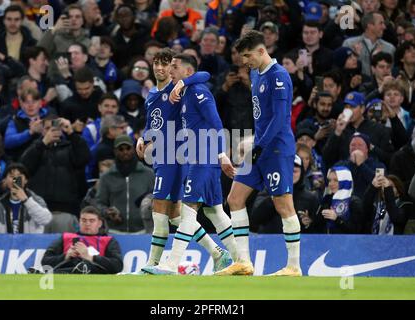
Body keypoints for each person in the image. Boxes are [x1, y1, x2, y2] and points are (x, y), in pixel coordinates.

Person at [135, 48, 234, 273]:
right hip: (161, 156)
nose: (161, 68)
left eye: (166, 64)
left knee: (160, 210)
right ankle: (219, 253)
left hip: (177, 156)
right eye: (157, 63)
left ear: (172, 67)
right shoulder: (151, 95)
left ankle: (153, 264)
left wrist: (182, 82)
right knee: (175, 215)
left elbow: (204, 75)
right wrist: (143, 137)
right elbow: (154, 124)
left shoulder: (179, 88)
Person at [215, 30, 301, 276]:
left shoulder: (279, 77)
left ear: (262, 51)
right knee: (234, 199)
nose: (245, 61)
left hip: (275, 150)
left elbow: (279, 119)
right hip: (259, 148)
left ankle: (294, 266)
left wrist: (259, 147)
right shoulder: (255, 74)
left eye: (248, 55)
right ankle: (243, 262)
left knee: (283, 205)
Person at [20, 115, 90, 216]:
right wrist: (43, 143)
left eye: (55, 128)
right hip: (38, 205)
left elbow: (84, 158)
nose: (51, 132)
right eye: (47, 128)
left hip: (66, 206)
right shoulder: (35, 146)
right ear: (42, 130)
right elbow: (23, 167)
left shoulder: (71, 146)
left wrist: (71, 133)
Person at [97, 134, 154, 233]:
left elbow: (157, 200)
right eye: (121, 149)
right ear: (115, 151)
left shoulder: (148, 174)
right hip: (114, 232)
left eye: (128, 148)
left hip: (143, 231)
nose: (125, 152)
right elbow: (99, 203)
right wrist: (107, 212)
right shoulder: (106, 177)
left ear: (133, 149)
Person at [41, 206, 123, 274]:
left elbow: (118, 266)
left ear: (99, 223)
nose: (87, 224)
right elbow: (45, 261)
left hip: (93, 273)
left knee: (86, 266)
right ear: (79, 222)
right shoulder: (65, 237)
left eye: (92, 221)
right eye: (84, 220)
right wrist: (65, 256)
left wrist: (91, 257)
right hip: (67, 271)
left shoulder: (108, 240)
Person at [251, 155, 320, 234]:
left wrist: (308, 224)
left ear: (301, 173)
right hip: (270, 243)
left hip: (299, 243)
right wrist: (273, 198)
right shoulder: (268, 191)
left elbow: (318, 228)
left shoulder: (310, 198)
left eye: (294, 171)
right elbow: (255, 219)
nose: (290, 175)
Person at [0, 162, 52, 234]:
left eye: (19, 176)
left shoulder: (36, 200)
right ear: (5, 180)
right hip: (7, 244)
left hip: (30, 245)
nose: (15, 179)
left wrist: (26, 200)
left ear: (26, 180)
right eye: (11, 176)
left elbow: (46, 220)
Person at [313, 166, 364, 234]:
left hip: (347, 243)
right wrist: (310, 221)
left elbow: (356, 230)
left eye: (336, 180)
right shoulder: (327, 199)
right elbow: (319, 226)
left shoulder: (354, 202)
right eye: (329, 180)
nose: (330, 184)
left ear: (345, 181)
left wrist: (337, 219)